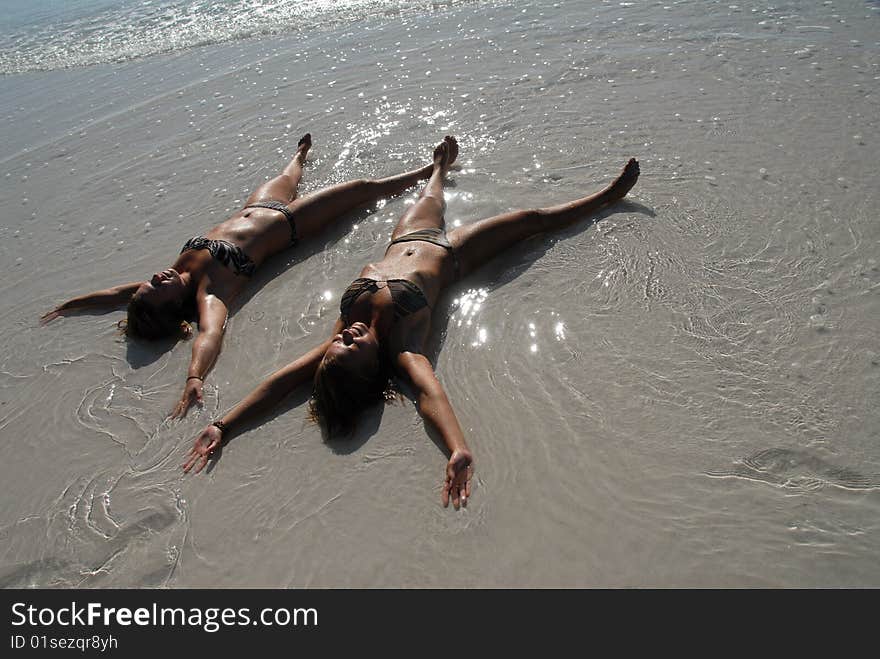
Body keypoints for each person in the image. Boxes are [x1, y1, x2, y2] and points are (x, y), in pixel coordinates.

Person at [183, 136, 640, 508]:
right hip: (454, 255)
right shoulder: (403, 352)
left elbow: (279, 382)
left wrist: (225, 424)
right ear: (369, 368)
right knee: (530, 220)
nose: (344, 335)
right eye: (350, 346)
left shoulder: (339, 345)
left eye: (339, 342)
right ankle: (606, 197)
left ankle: (441, 168)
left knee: (431, 193)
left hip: (406, 238)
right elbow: (428, 394)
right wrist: (457, 448)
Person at [40, 134, 447, 418]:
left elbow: (117, 292)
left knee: (289, 175)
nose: (155, 279)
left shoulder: (173, 276)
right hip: (292, 222)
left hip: (258, 205)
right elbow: (210, 334)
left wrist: (75, 303)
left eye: (148, 284)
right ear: (175, 308)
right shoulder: (208, 294)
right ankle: (426, 172)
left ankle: (301, 155)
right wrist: (195, 375)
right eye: (157, 290)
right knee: (361, 189)